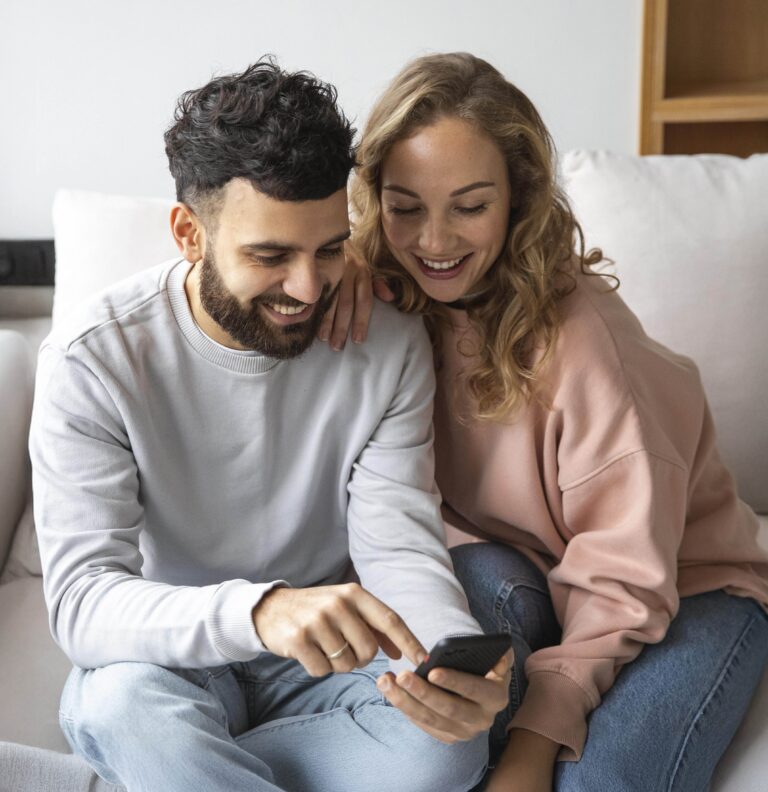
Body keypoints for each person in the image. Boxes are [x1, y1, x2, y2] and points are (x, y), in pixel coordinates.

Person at [29, 58, 512, 792]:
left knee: (446, 747)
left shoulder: (386, 343)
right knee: (123, 707)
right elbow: (85, 602)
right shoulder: (94, 360)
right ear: (189, 234)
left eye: (327, 249)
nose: (308, 287)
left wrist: (440, 660)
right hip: (173, 657)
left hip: (326, 667)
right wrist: (260, 611)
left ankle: (198, 774)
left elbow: (398, 543)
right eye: (270, 256)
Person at [347, 52, 768, 792]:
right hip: (525, 575)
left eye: (470, 205)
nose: (434, 242)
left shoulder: (589, 345)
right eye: (405, 205)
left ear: (519, 198)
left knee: (598, 783)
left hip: (683, 587)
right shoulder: (384, 301)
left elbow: (625, 577)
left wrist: (533, 743)